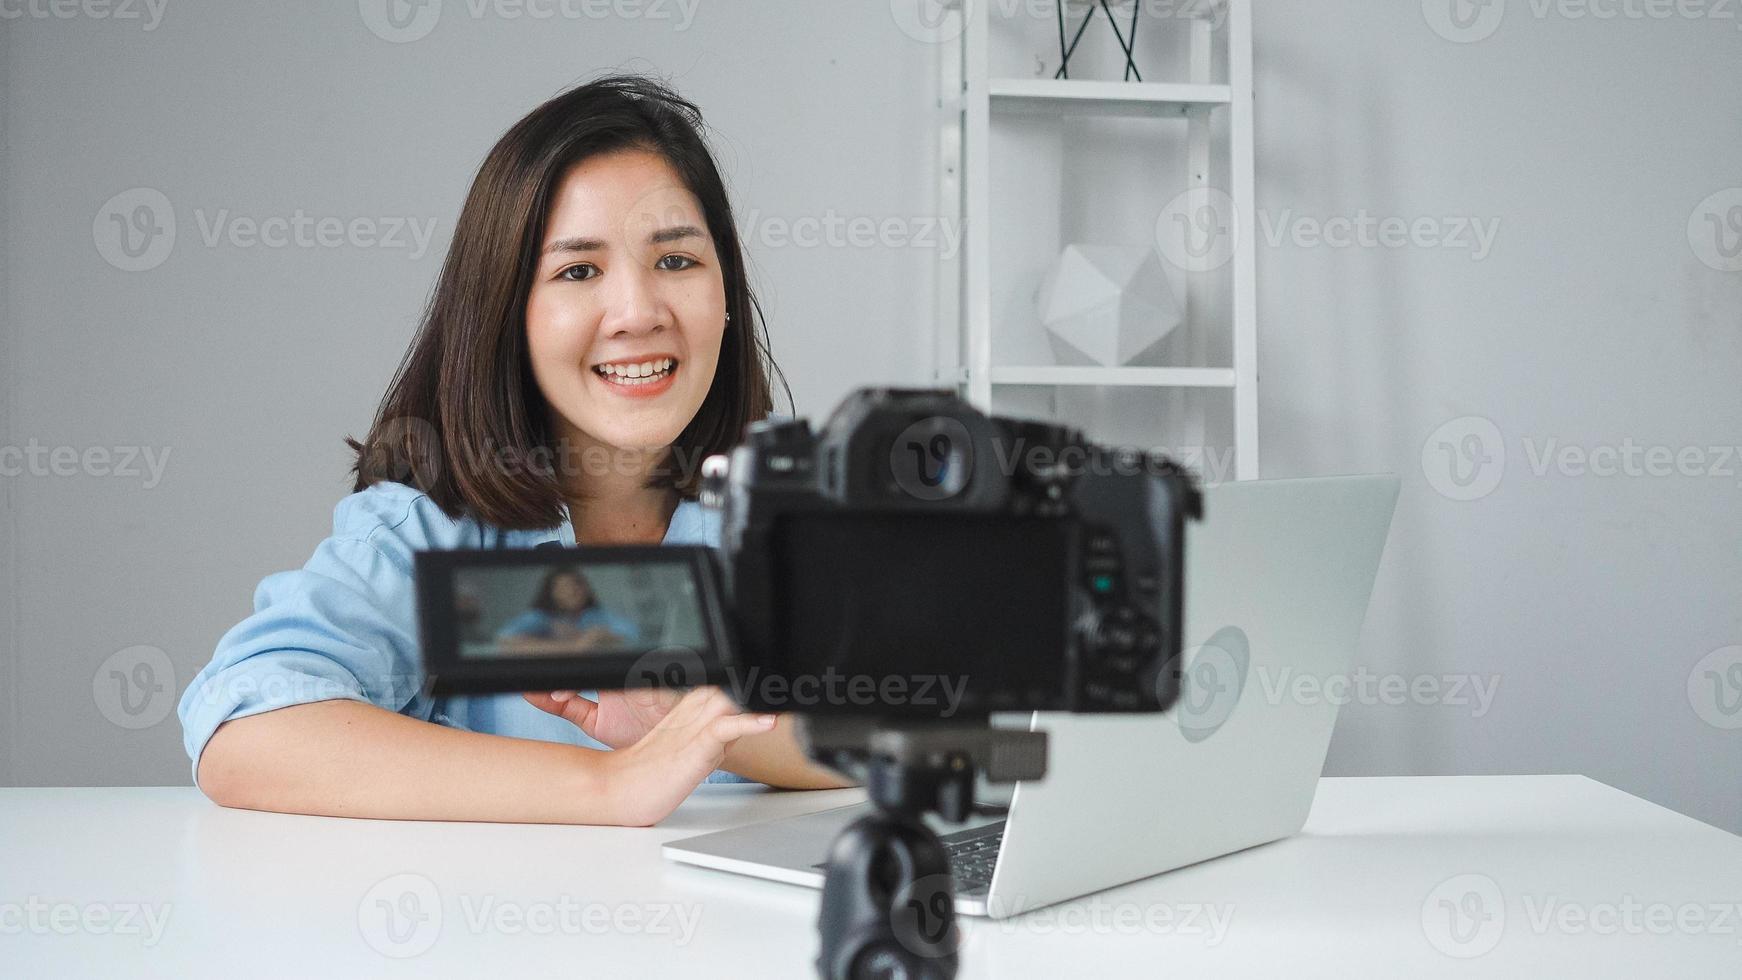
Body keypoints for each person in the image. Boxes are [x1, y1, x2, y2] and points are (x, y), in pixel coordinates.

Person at [177, 75, 852, 827]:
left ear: (726, 294)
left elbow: (914, 729)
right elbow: (243, 727)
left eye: (676, 261)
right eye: (577, 271)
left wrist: (698, 730)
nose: (637, 313)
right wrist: (610, 784)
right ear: (508, 314)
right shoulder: (426, 534)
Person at [494, 567, 640, 653]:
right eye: (564, 587)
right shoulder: (540, 617)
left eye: (577, 585)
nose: (572, 591)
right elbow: (505, 640)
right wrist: (574, 646)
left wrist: (601, 637)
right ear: (551, 592)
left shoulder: (596, 615)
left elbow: (632, 636)